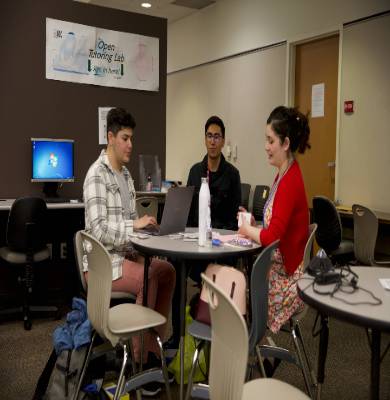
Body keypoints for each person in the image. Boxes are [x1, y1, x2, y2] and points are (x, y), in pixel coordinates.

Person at [83, 107, 175, 395]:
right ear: (110, 137)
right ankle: (140, 364)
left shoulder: (125, 176)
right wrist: (134, 226)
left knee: (167, 271)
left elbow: (126, 227)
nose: (130, 145)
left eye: (131, 138)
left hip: (123, 257)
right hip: (102, 266)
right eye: (124, 138)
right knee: (148, 277)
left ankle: (152, 350)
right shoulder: (97, 175)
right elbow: (98, 230)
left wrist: (145, 231)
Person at [238, 106, 310, 334]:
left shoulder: (289, 182)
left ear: (285, 143)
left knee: (233, 292)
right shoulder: (284, 174)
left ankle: (246, 355)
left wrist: (247, 229)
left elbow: (272, 237)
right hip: (279, 270)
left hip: (287, 280)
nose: (266, 147)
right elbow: (276, 227)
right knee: (234, 285)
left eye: (270, 141)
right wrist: (255, 225)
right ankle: (249, 355)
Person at [187, 115, 241, 230]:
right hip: (196, 237)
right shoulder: (194, 172)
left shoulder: (233, 175)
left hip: (223, 239)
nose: (212, 142)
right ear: (205, 140)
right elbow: (188, 214)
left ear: (223, 141)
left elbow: (235, 219)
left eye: (217, 137)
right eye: (209, 136)